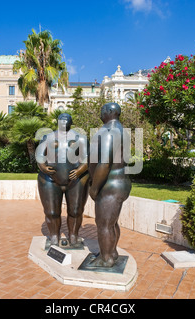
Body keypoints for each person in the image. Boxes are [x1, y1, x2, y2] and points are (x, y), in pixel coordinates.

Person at [88, 103, 132, 267]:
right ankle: (111, 252)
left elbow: (104, 163)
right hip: (121, 182)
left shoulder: (107, 131)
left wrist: (94, 188)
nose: (100, 112)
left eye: (102, 110)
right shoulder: (122, 131)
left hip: (109, 184)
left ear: (109, 112)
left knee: (104, 224)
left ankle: (106, 259)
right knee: (112, 222)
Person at [36, 113, 89, 247]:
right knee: (52, 211)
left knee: (76, 211)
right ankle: (54, 236)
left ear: (71, 122)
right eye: (62, 119)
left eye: (67, 119)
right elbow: (40, 155)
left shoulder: (80, 138)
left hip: (76, 179)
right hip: (50, 179)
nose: (64, 122)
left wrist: (79, 171)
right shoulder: (48, 137)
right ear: (57, 122)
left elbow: (87, 159)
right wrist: (43, 167)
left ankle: (73, 235)